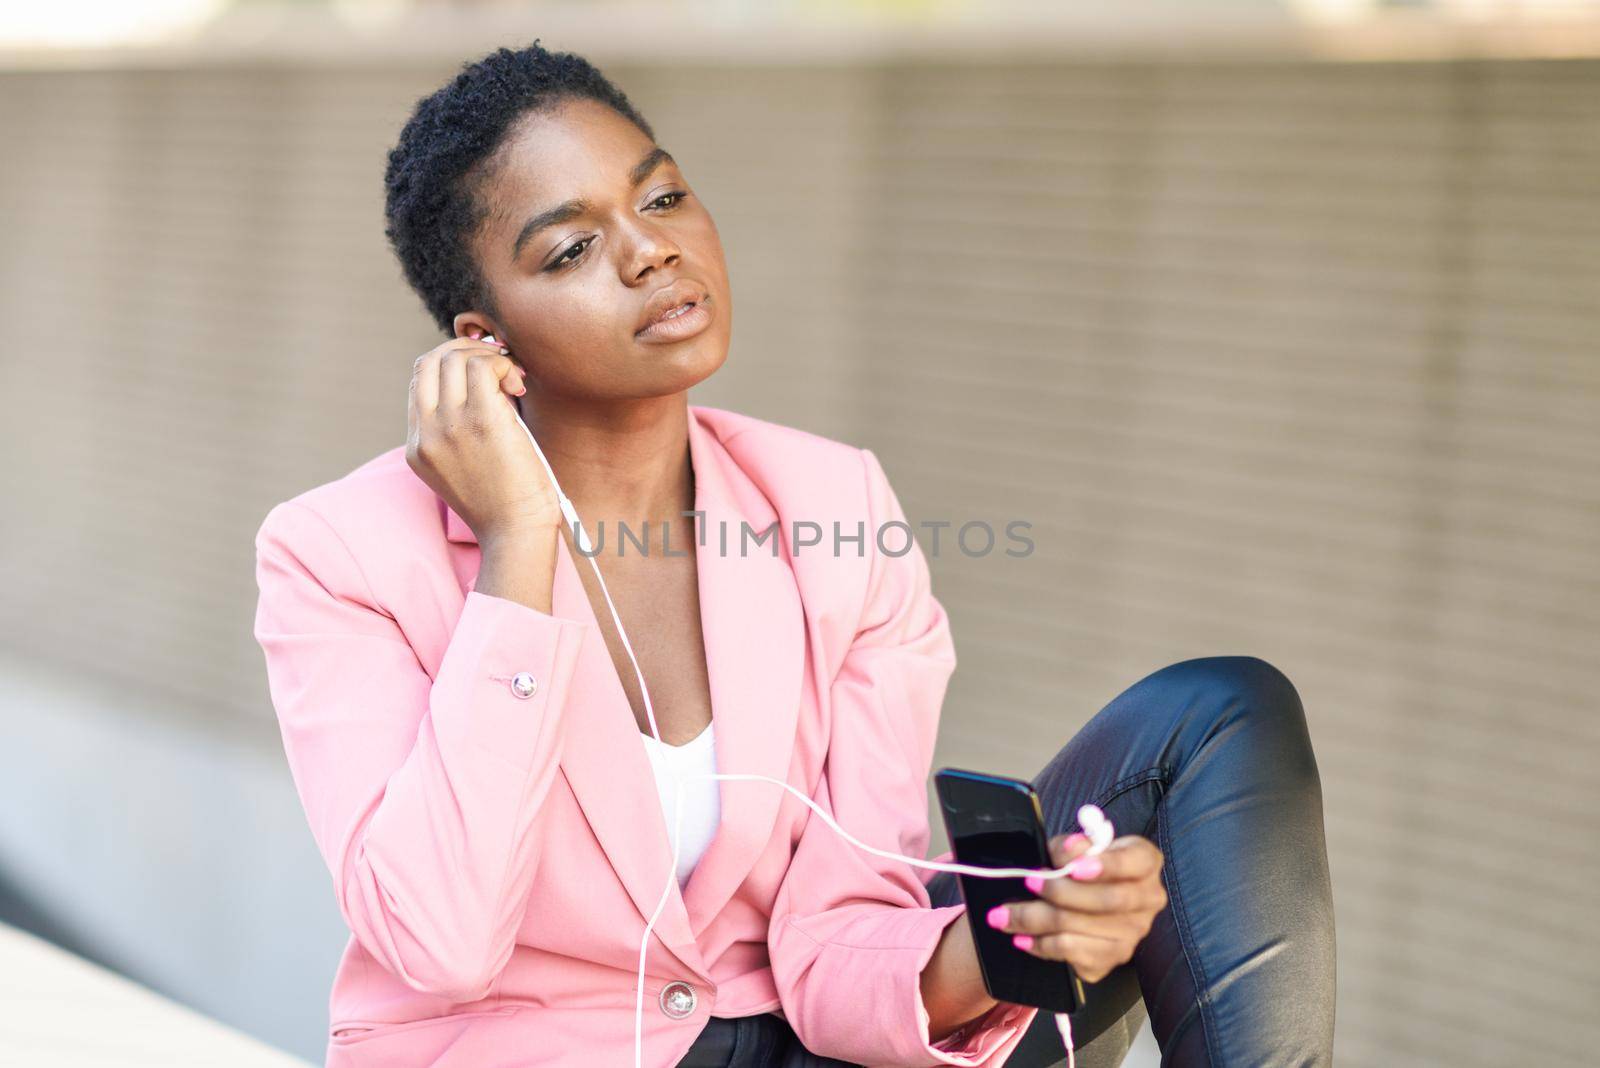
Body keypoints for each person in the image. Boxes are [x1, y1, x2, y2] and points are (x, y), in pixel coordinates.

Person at [251, 40, 1335, 1068]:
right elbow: (440, 942)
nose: (650, 251)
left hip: (809, 1044)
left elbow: (837, 938)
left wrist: (1022, 939)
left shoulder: (832, 505)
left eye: (662, 197)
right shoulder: (338, 557)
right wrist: (516, 549)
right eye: (574, 248)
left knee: (1215, 714)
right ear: (483, 341)